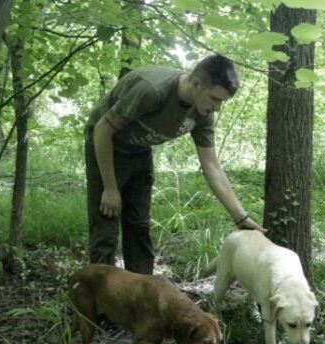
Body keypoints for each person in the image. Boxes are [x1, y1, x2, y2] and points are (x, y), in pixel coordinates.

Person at [84, 54, 265, 275]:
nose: (217, 108)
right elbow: (102, 130)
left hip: (140, 152)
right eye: (216, 99)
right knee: (106, 227)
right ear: (196, 83)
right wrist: (110, 188)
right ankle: (99, 302)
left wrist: (241, 218)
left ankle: (142, 297)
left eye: (222, 102)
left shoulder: (202, 114)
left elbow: (212, 167)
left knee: (138, 227)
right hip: (106, 148)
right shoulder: (151, 90)